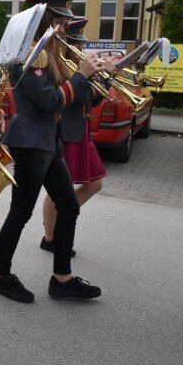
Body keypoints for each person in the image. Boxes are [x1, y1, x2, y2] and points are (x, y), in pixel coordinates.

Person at [0, 0, 104, 302]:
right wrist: (80, 76)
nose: (65, 28)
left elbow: (76, 96)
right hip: (30, 141)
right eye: (60, 22)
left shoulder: (52, 54)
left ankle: (61, 278)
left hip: (49, 140)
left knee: (68, 206)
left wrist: (99, 78)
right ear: (45, 22)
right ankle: (0, 275)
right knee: (21, 212)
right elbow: (50, 100)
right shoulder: (31, 54)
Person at [39, 19, 110, 255]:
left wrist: (105, 78)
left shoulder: (78, 65)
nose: (81, 47)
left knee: (95, 183)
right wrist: (85, 76)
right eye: (77, 41)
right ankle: (50, 237)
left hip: (82, 129)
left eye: (82, 42)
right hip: (67, 130)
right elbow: (68, 97)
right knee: (59, 189)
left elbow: (94, 99)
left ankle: (63, 218)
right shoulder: (62, 66)